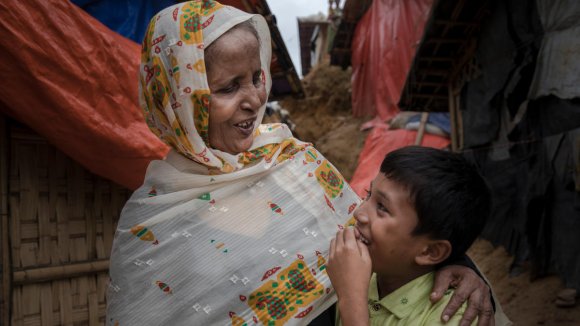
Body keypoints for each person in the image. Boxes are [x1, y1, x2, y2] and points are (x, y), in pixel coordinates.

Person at [107, 2, 495, 325]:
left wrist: (459, 268)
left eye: (257, 77)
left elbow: (398, 238)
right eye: (228, 87)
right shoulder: (151, 226)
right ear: (177, 97)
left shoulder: (295, 162)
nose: (255, 99)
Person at [327, 146, 512, 326]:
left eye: (382, 207)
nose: (359, 213)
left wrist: (351, 300)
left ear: (430, 251)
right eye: (368, 195)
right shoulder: (349, 268)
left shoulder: (452, 317)